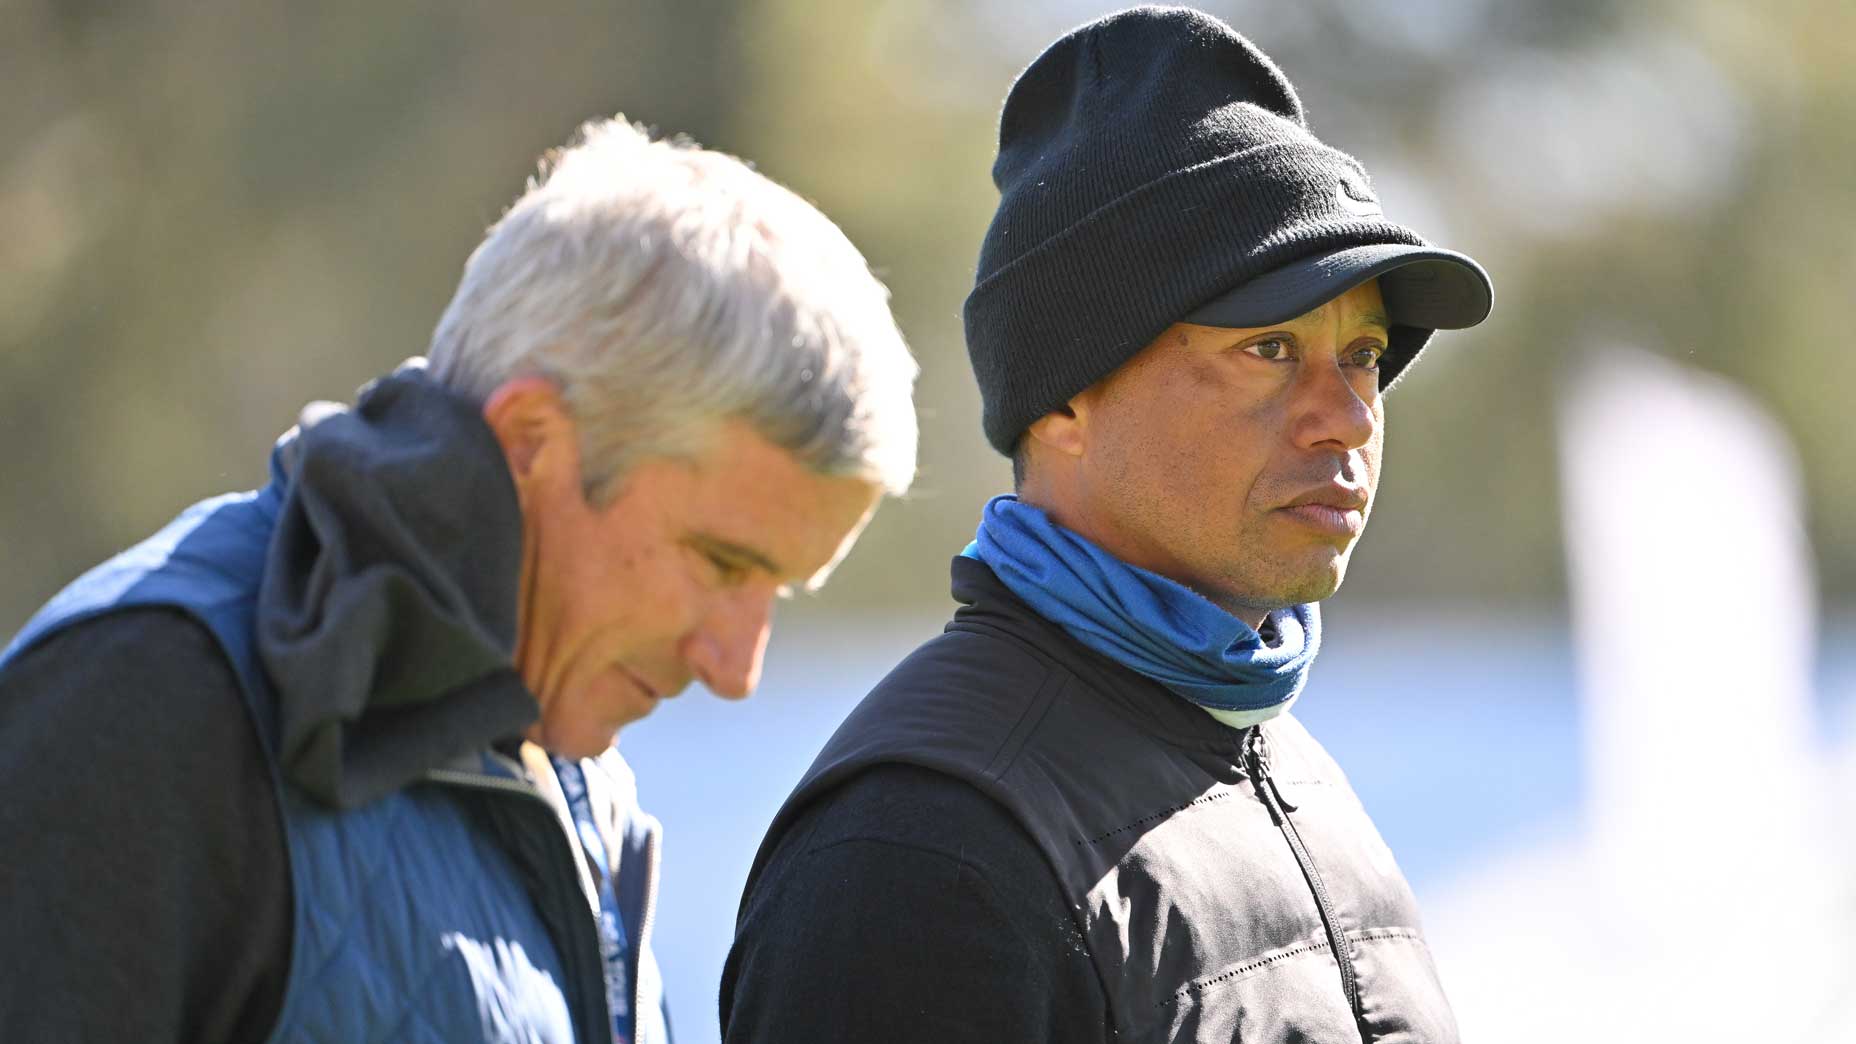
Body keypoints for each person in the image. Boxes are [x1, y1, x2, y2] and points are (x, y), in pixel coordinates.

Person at [0, 116, 917, 1044]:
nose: (736, 667)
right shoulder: (143, 705)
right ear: (531, 443)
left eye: (781, 590)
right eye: (722, 563)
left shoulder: (579, 774)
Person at [722, 7, 1492, 1043]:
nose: (1347, 416)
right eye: (1268, 350)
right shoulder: (919, 850)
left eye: (1360, 354)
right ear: (1065, 400)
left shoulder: (1285, 761)